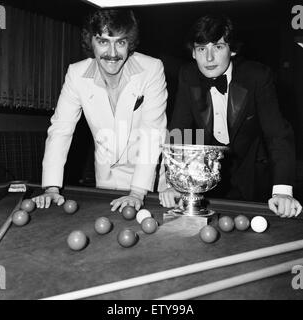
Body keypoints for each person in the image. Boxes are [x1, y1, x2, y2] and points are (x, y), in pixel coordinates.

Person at [159, 14, 302, 218]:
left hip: (252, 174)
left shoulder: (257, 77)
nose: (209, 58)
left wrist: (283, 192)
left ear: (232, 49)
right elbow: (178, 131)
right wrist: (175, 183)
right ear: (193, 53)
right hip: (207, 176)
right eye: (201, 49)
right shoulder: (187, 75)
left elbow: (278, 134)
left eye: (217, 47)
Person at [33, 9, 167, 212]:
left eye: (120, 42)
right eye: (103, 41)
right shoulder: (76, 74)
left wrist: (137, 192)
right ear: (91, 42)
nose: (112, 53)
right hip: (106, 179)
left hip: (149, 180)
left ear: (129, 43)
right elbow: (60, 130)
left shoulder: (152, 69)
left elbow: (152, 133)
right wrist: (52, 187)